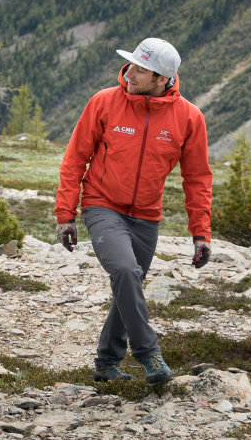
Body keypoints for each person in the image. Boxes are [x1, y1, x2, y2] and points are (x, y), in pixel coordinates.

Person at [54, 36, 213, 386]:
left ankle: (107, 365)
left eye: (141, 69)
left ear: (162, 79)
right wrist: (65, 213)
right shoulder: (104, 103)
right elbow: (75, 158)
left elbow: (198, 178)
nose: (130, 73)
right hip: (102, 205)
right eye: (132, 64)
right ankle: (148, 353)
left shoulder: (189, 118)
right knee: (125, 272)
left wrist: (201, 234)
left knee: (130, 288)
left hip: (146, 216)